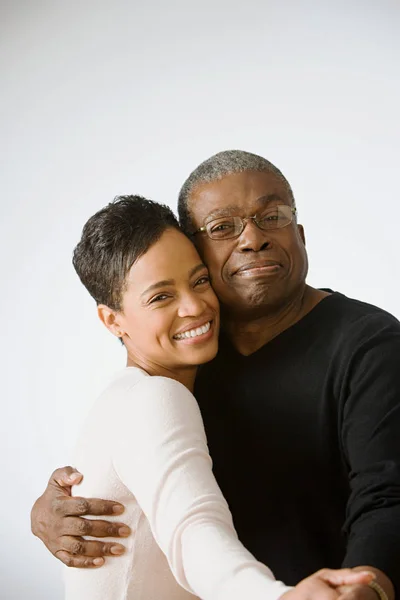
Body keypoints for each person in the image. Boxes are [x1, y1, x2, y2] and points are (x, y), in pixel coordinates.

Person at [31, 151, 400, 600]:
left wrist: (366, 586)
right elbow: (185, 518)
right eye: (223, 227)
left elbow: (388, 497)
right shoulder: (184, 361)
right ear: (197, 250)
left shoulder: (370, 344)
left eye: (272, 216)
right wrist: (56, 507)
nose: (253, 239)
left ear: (299, 233)